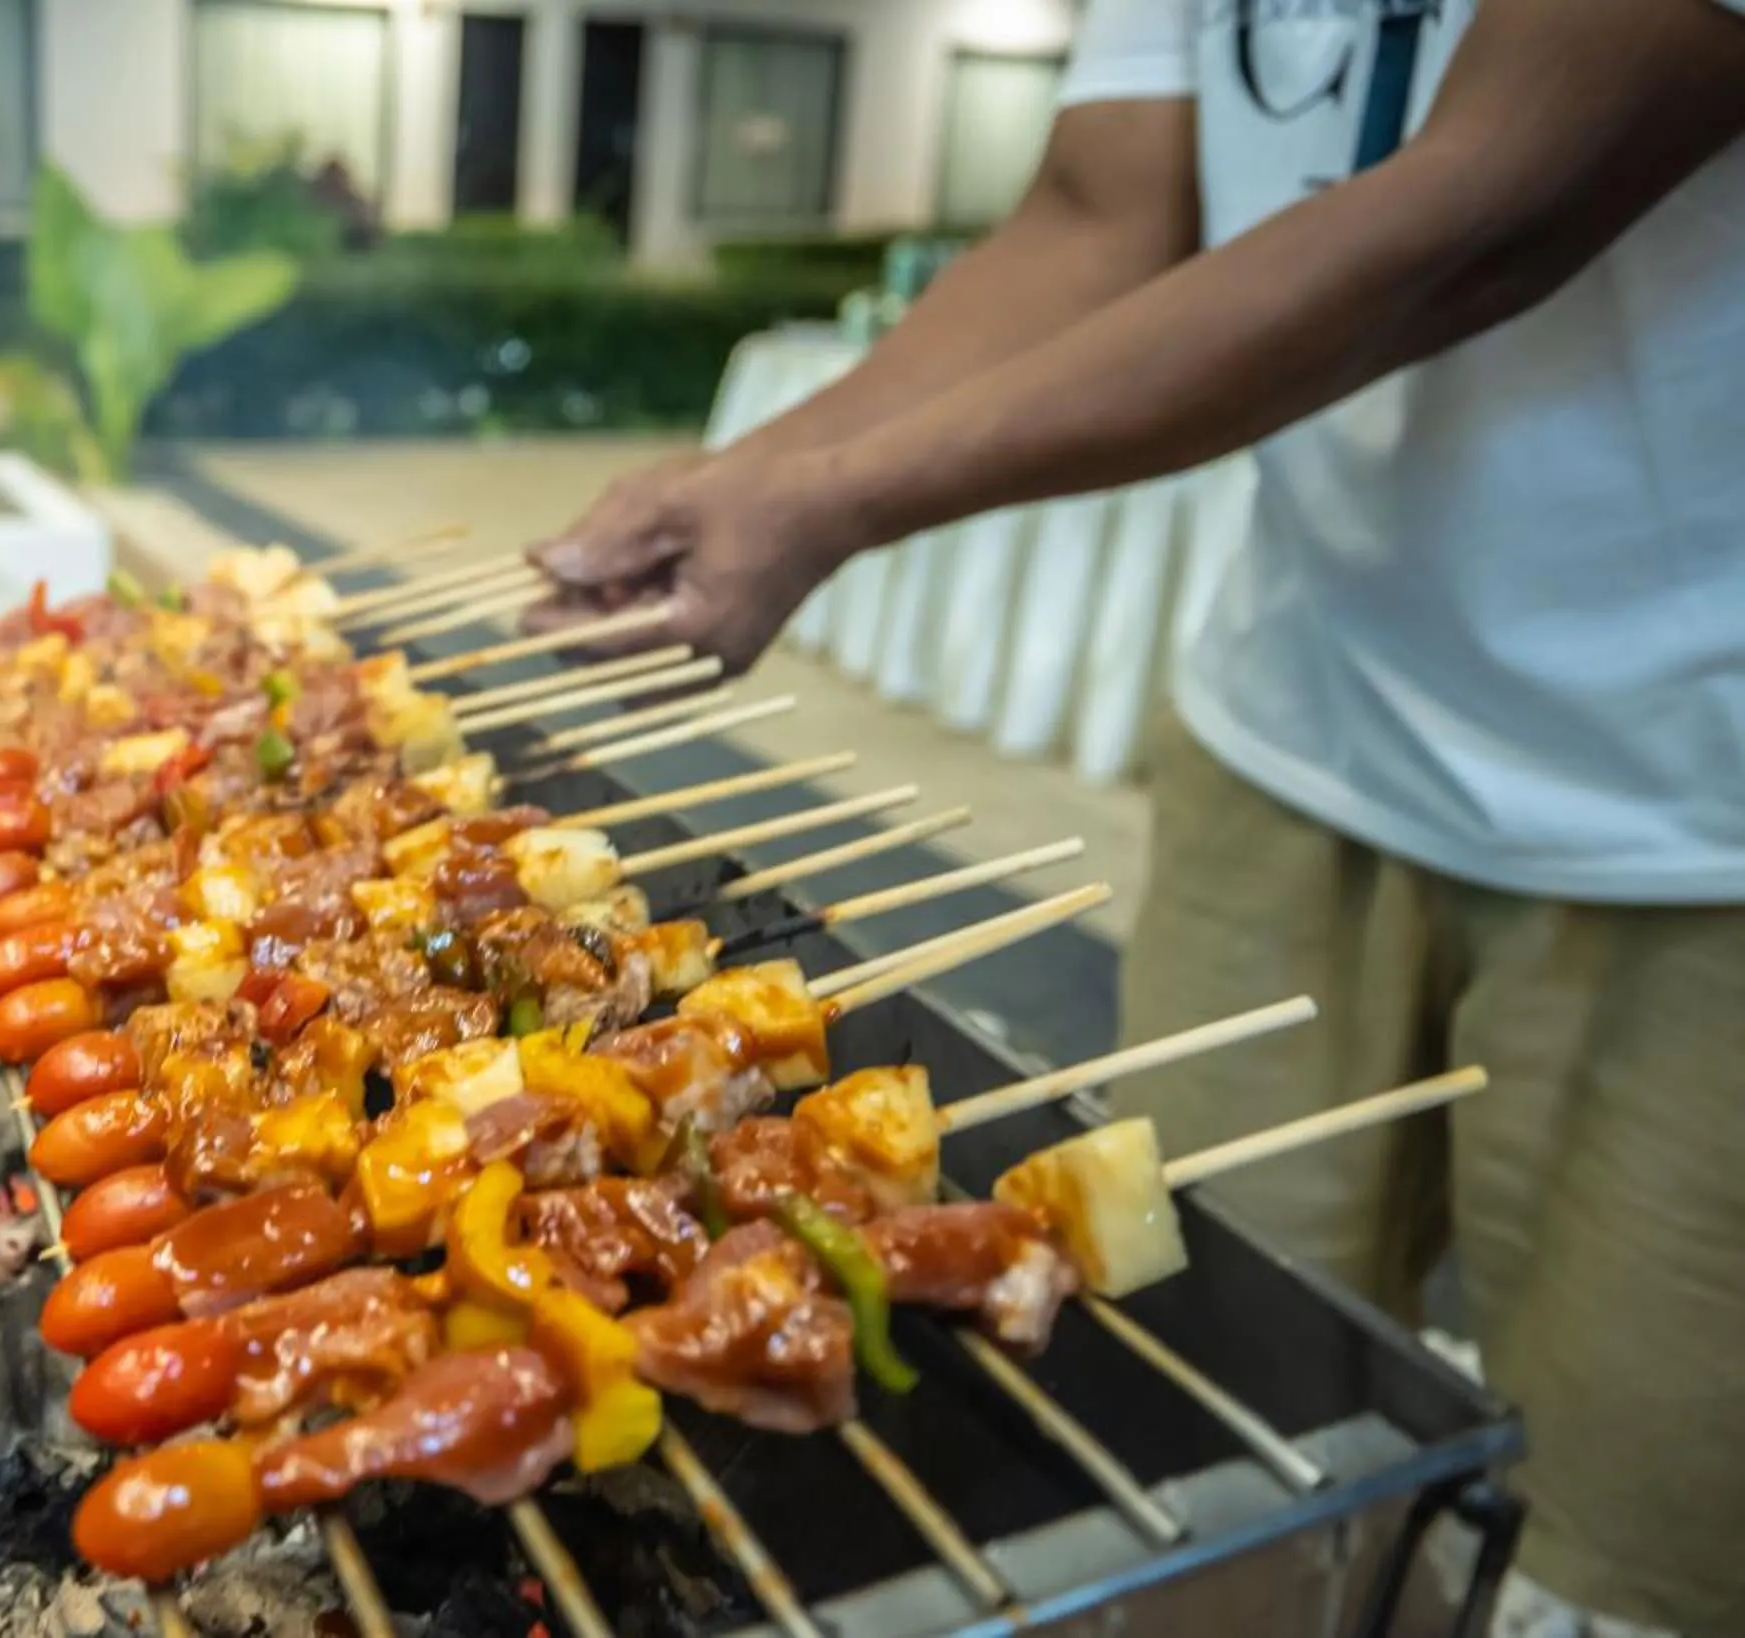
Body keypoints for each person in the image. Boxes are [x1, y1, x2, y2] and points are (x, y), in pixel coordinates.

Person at [523, 3, 1745, 1632]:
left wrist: (835, 500)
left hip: (1695, 804)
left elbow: (1491, 208)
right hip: (1296, 716)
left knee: (1617, 1535)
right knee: (1202, 1409)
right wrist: (757, 470)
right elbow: (1100, 216)